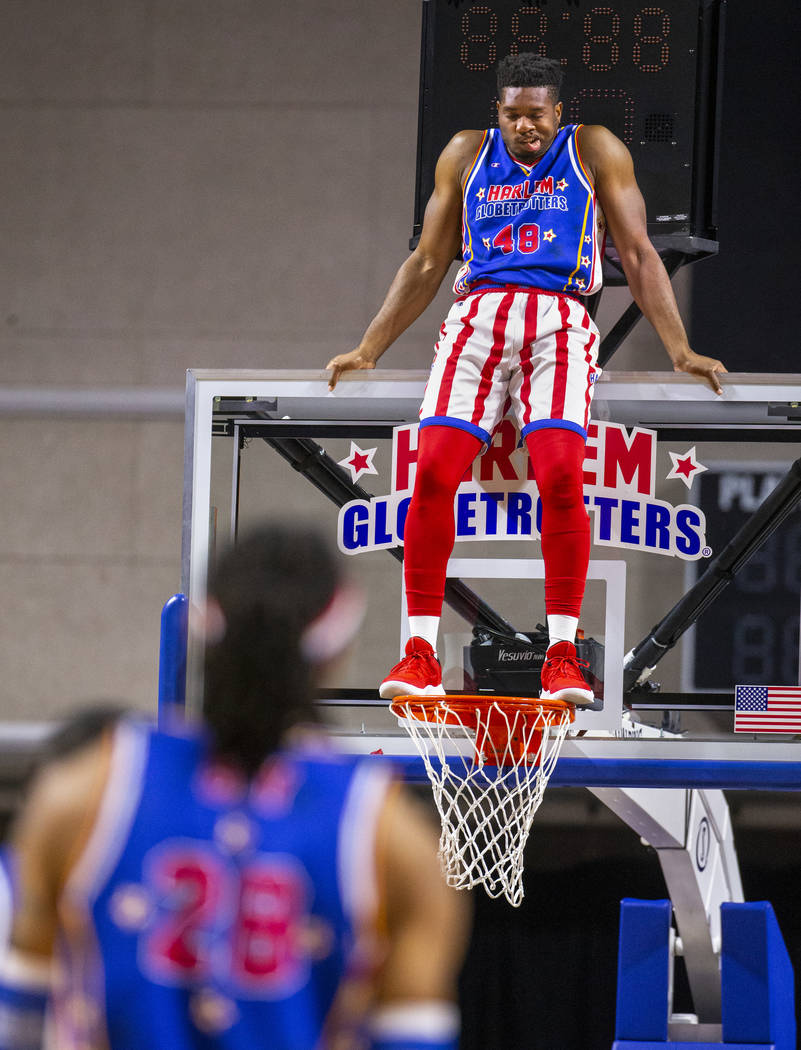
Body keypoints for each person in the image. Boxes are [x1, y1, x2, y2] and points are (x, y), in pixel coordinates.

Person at [326, 53, 727, 706]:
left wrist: (678, 348)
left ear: (557, 112)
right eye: (511, 114)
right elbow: (428, 259)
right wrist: (370, 346)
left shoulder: (593, 148)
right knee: (431, 473)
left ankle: (562, 655)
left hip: (559, 321)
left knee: (562, 476)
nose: (523, 126)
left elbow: (636, 252)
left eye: (534, 114)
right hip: (477, 318)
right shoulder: (464, 153)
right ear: (498, 111)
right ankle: (421, 652)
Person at [0, 523, 468, 1050]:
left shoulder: (82, 792)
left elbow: (17, 1022)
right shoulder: (391, 836)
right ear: (337, 646)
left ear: (200, 625)